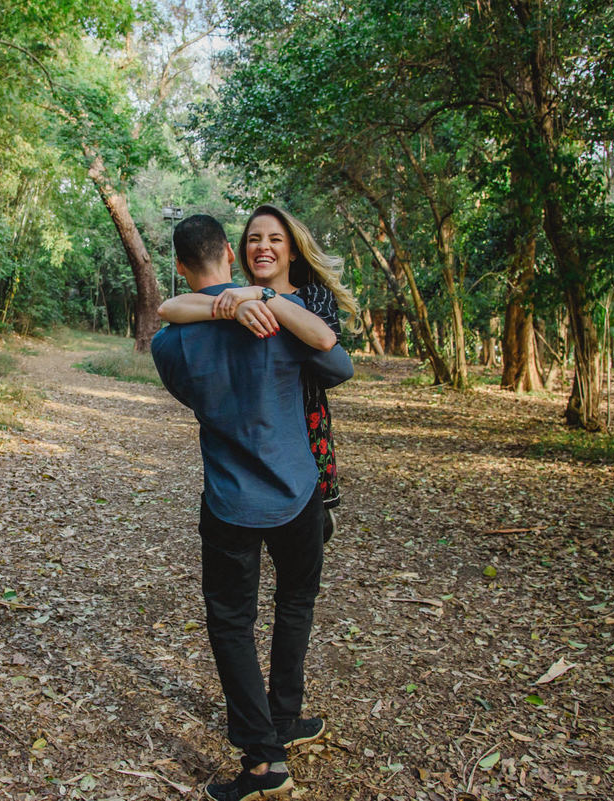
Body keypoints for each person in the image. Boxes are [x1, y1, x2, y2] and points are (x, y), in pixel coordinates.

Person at [151, 214, 353, 801]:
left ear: (181, 267)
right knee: (296, 602)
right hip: (298, 493)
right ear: (232, 256)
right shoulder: (281, 322)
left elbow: (190, 389)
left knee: (232, 624)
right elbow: (338, 368)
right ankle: (283, 717)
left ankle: (264, 761)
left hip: (229, 500)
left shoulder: (170, 343)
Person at [158, 205, 359, 544]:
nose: (263, 246)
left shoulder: (311, 297)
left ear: (292, 251)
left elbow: (333, 357)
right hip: (254, 433)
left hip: (304, 429)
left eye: (275, 239)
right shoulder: (238, 297)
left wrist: (264, 297)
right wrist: (238, 306)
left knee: (306, 537)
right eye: (254, 239)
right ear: (237, 251)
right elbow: (169, 308)